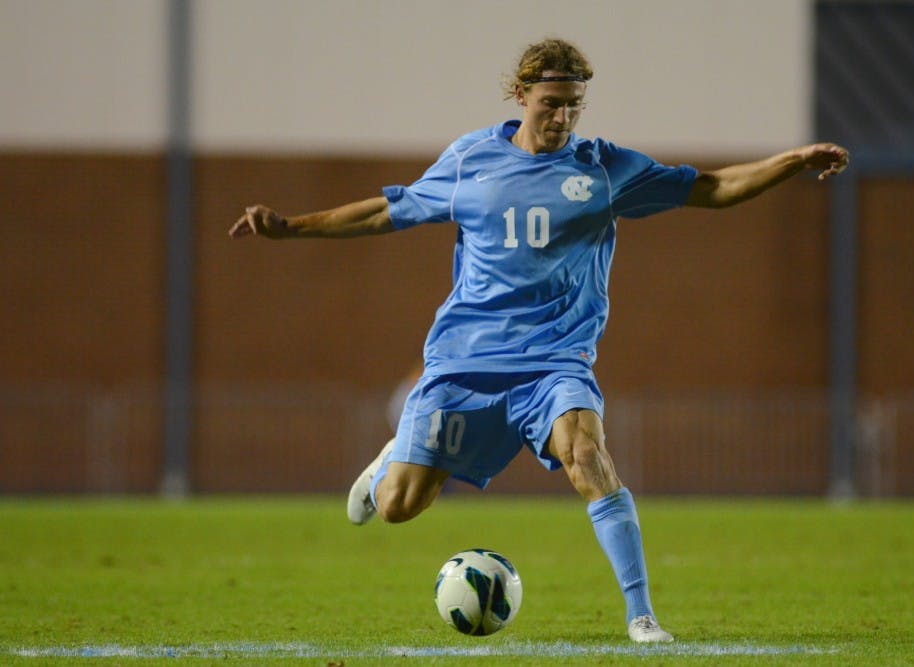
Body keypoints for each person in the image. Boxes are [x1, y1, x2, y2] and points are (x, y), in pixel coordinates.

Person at [229, 37, 849, 643]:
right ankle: (394, 456)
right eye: (551, 102)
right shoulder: (471, 160)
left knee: (588, 459)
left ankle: (642, 618)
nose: (563, 116)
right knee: (397, 507)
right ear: (521, 95)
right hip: (465, 360)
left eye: (575, 104)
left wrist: (790, 161)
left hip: (556, 362)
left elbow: (711, 189)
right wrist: (289, 229)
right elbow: (385, 212)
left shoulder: (605, 168)